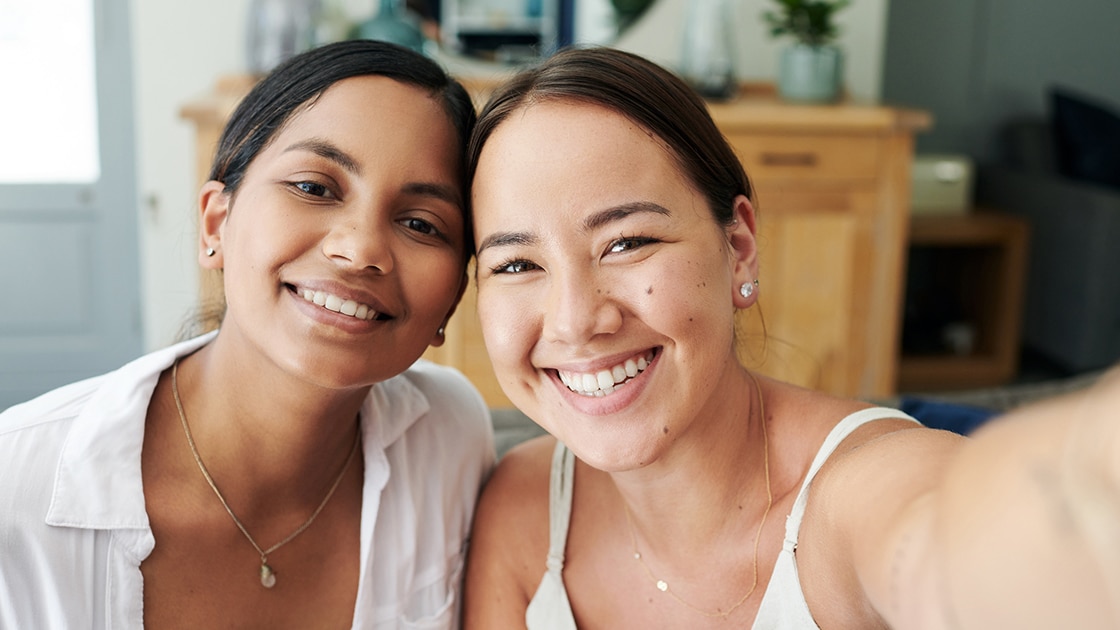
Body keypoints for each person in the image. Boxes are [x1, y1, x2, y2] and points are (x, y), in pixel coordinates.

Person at [462, 47, 1119, 629]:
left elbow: (941, 546)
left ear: (739, 248)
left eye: (628, 242)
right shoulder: (520, 507)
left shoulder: (854, 494)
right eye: (516, 265)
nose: (576, 320)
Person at [0, 40, 494, 628]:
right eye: (315, 187)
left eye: (420, 223)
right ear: (216, 222)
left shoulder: (450, 436)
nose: (360, 249)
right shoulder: (14, 490)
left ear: (453, 299)